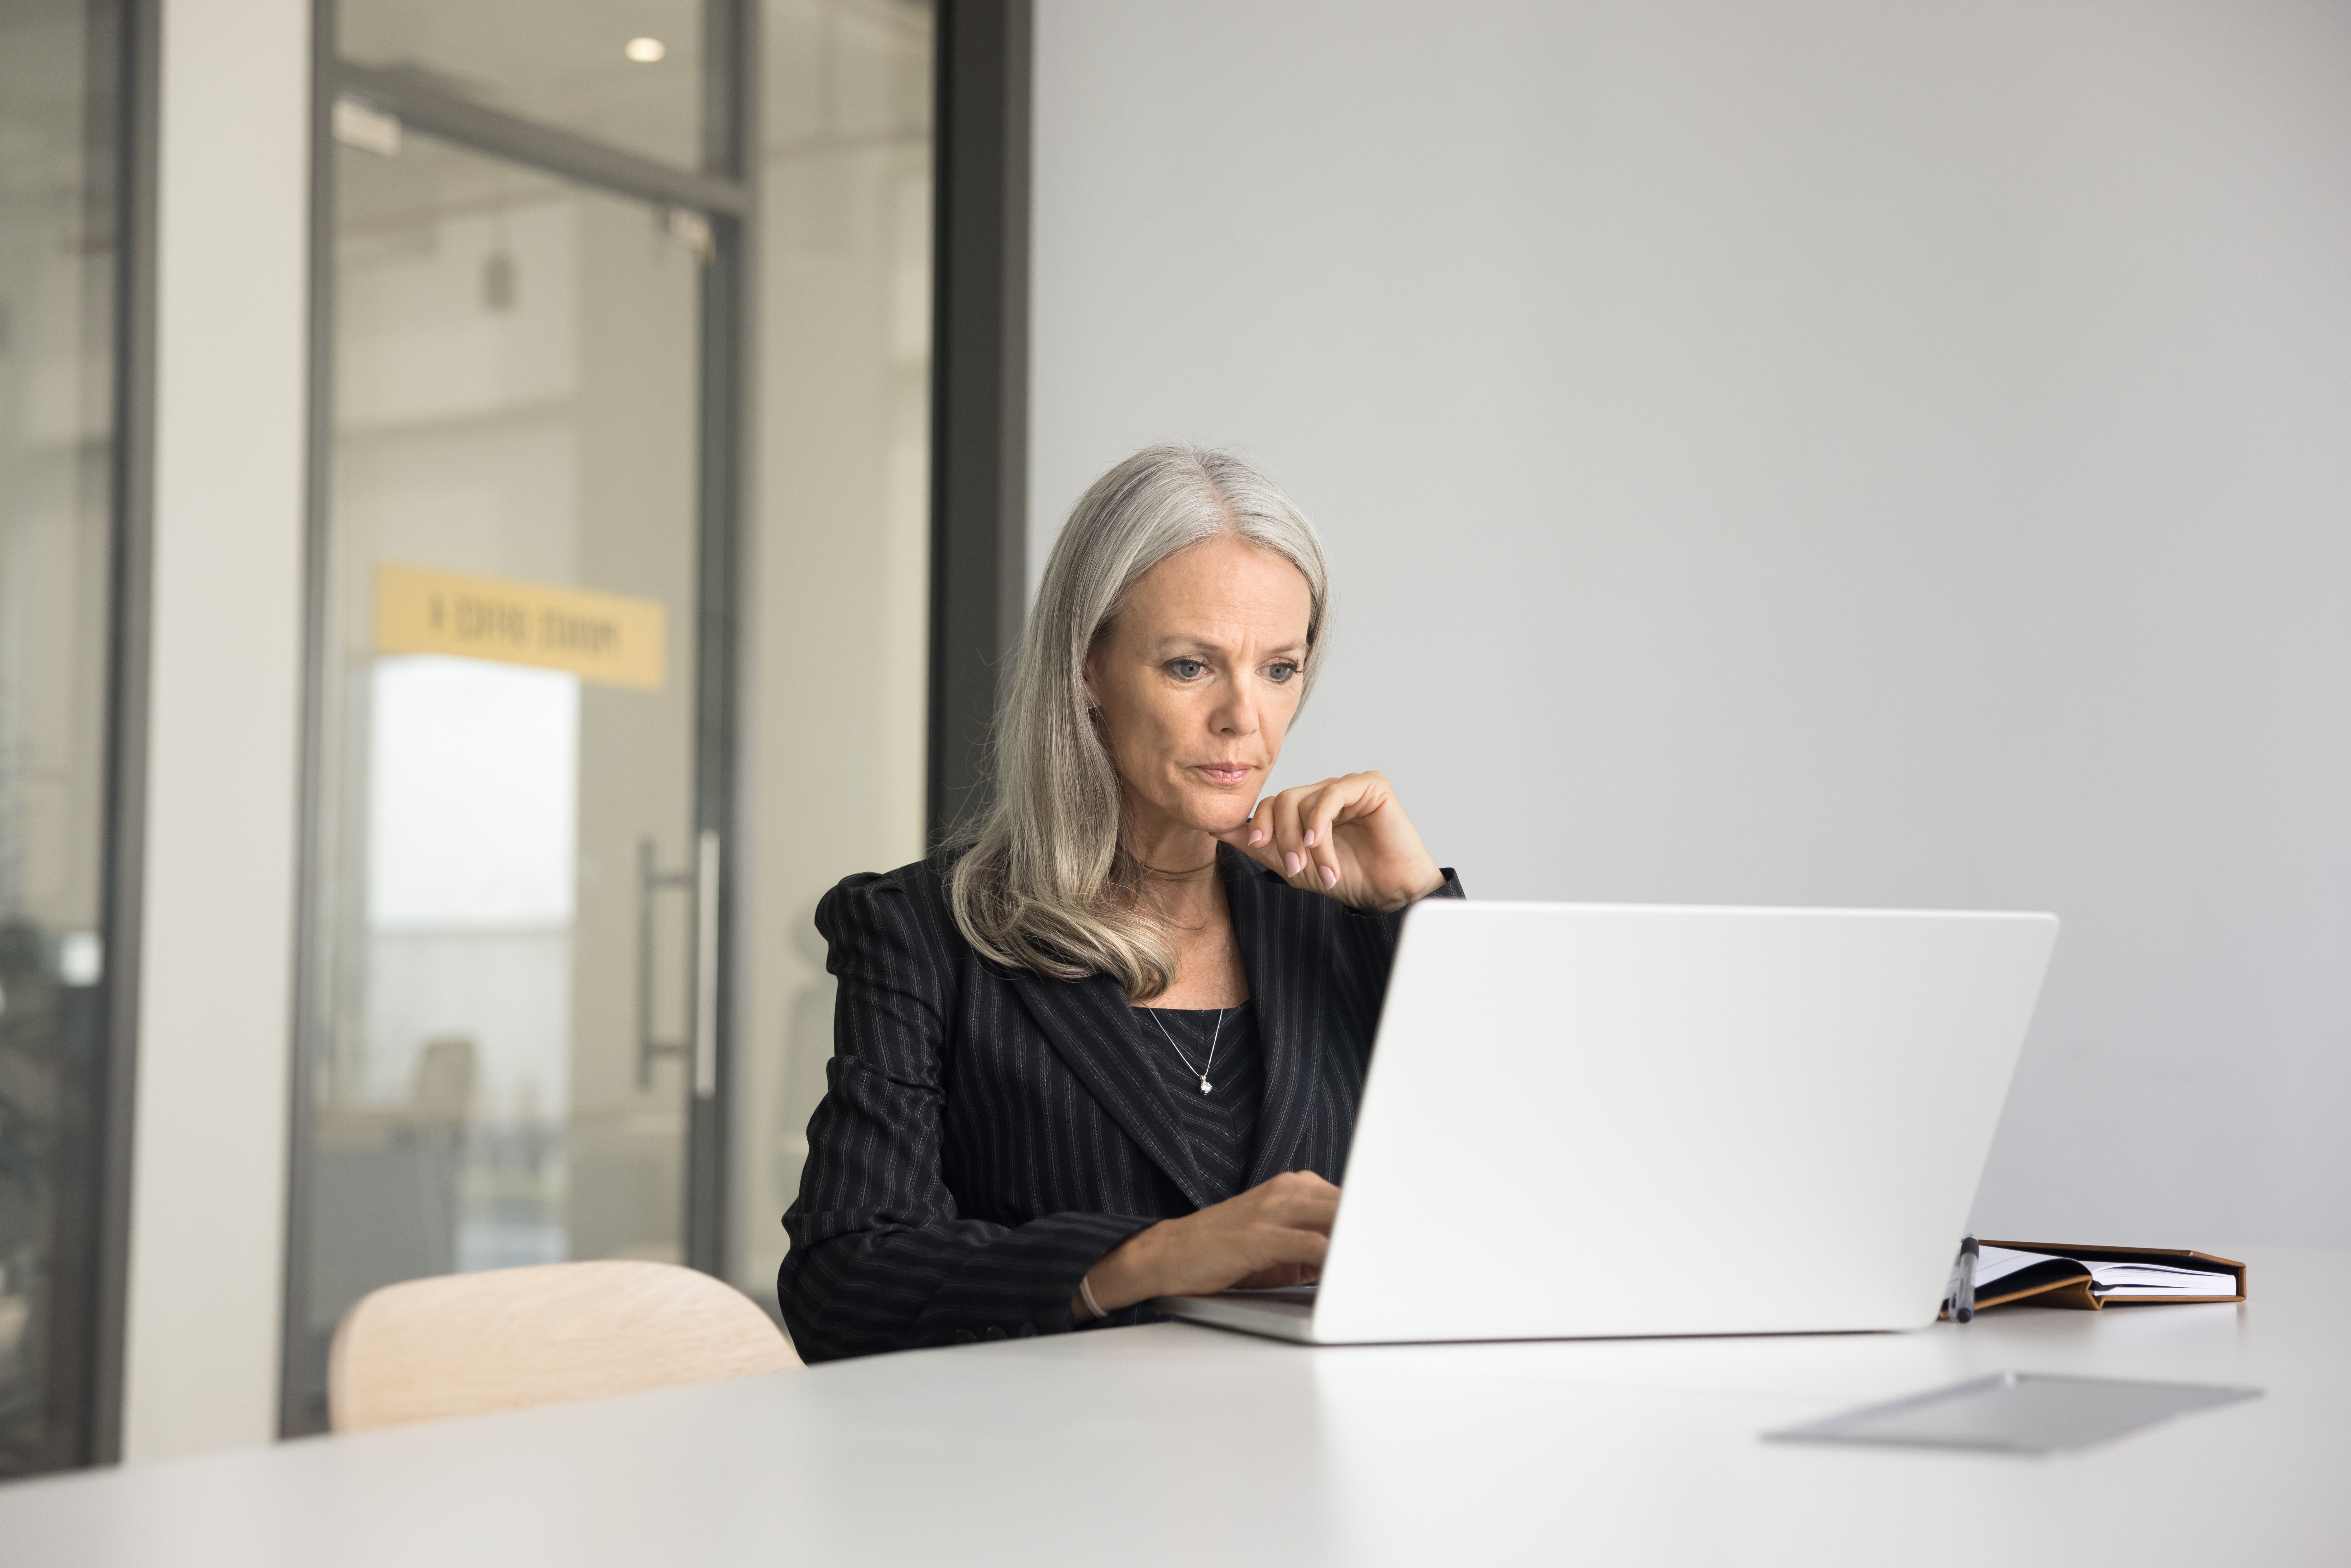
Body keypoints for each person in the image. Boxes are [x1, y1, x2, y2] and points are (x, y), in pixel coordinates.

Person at [778, 445, 1460, 1360]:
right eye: (1190, 667)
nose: (1244, 720)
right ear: (1088, 668)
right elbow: (844, 1283)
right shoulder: (923, 935)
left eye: (1279, 669)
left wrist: (1417, 914)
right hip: (1052, 1480)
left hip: (1315, 1470)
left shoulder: (1350, 923)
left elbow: (1535, 1207)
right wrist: (1151, 1256)